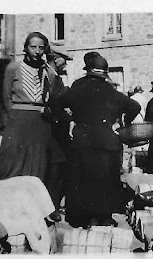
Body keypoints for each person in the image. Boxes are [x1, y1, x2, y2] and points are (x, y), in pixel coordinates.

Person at [61, 54, 140, 228]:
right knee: (106, 182)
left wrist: (73, 119)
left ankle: (87, 218)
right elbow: (135, 106)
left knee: (85, 180)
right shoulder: (111, 91)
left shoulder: (77, 87)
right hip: (108, 142)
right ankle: (104, 217)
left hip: (84, 141)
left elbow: (61, 103)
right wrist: (120, 123)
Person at [0, 32, 53, 184]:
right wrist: (13, 119)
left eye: (41, 48)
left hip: (39, 121)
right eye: (33, 47)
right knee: (11, 160)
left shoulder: (48, 71)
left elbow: (49, 98)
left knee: (37, 161)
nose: (37, 51)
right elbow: (6, 97)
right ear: (25, 48)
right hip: (18, 119)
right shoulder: (13, 68)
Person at [44, 47, 73, 222]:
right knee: (56, 171)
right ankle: (51, 208)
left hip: (55, 129)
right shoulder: (51, 76)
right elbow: (55, 103)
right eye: (64, 60)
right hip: (54, 130)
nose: (66, 64)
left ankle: (53, 206)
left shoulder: (54, 76)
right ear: (55, 59)